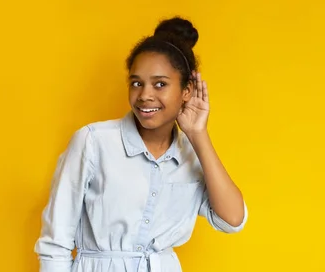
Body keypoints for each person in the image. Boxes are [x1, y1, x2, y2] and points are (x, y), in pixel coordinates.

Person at [34, 16, 248, 272]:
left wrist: (198, 133)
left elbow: (233, 220)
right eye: (137, 83)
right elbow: (54, 244)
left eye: (160, 84)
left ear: (187, 90)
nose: (145, 95)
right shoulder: (94, 142)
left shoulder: (191, 155)